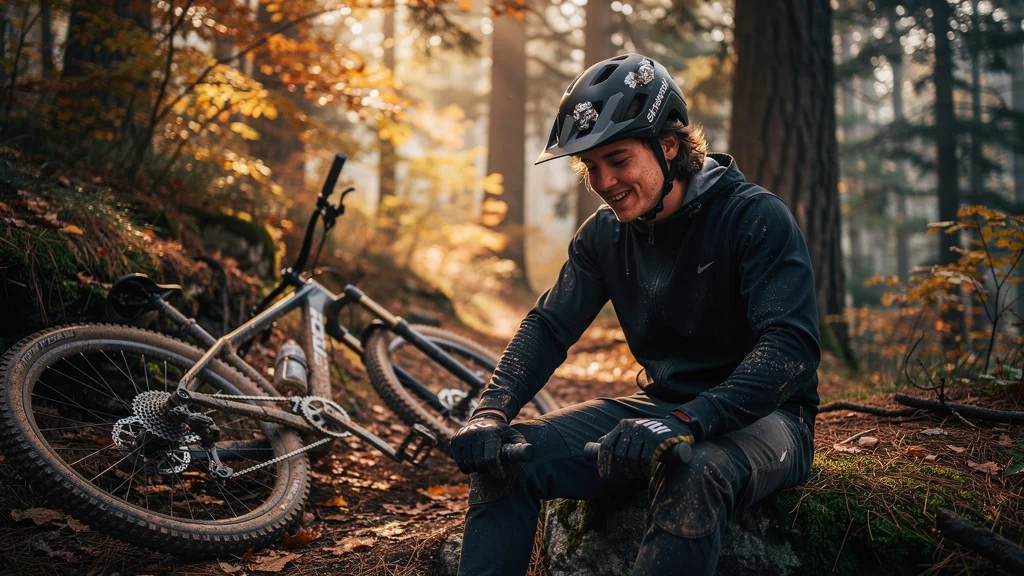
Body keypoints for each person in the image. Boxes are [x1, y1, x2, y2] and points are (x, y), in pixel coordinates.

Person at [451, 53, 820, 576]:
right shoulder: (604, 235)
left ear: (669, 146)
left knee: (692, 473)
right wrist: (491, 411)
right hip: (664, 409)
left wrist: (686, 421)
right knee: (504, 459)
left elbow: (791, 348)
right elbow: (549, 326)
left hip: (771, 419)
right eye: (591, 167)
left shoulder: (753, 216)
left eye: (618, 159)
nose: (604, 180)